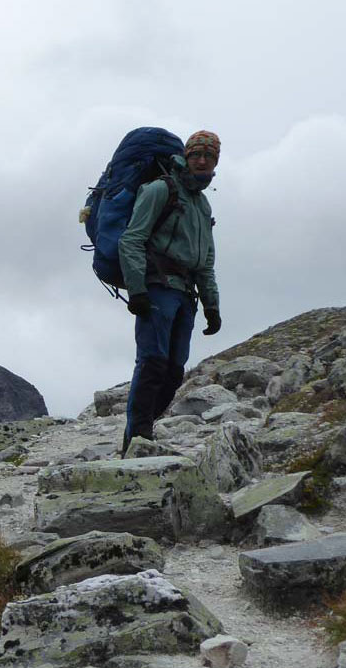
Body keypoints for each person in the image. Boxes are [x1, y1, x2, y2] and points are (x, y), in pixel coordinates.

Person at [118, 130, 222, 456]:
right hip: (158, 288)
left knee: (174, 372)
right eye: (196, 154)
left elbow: (205, 261)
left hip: (185, 297)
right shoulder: (160, 190)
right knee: (152, 363)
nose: (202, 160)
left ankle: (142, 434)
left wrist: (212, 305)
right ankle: (135, 442)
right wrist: (137, 289)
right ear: (186, 157)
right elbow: (131, 240)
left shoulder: (202, 205)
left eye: (209, 156)